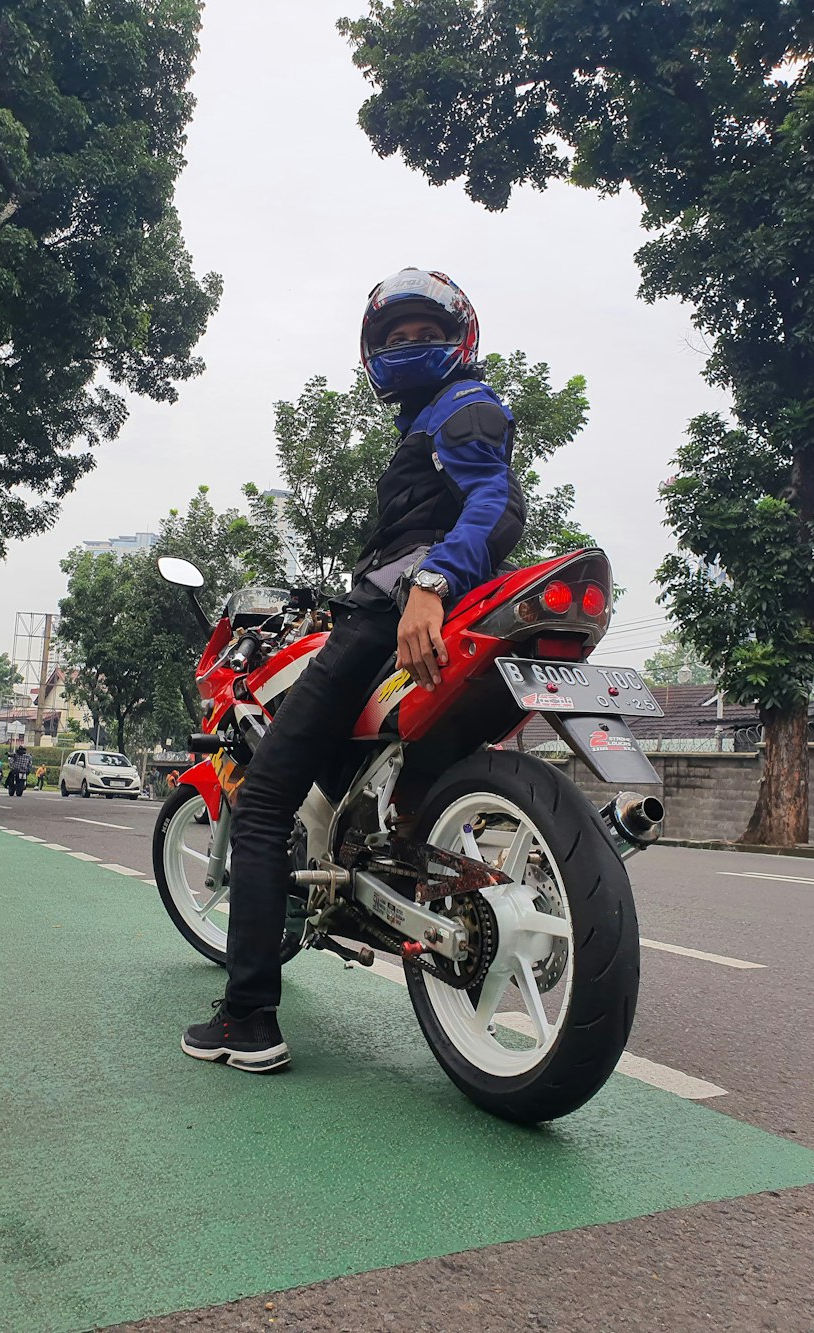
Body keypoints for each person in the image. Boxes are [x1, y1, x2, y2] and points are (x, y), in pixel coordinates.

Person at [182, 269, 526, 1073]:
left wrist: (431, 585)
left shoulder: (464, 405)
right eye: (393, 338)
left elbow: (495, 504)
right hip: (413, 613)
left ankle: (247, 1019)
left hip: (395, 615)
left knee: (264, 795)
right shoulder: (433, 419)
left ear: (459, 340)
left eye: (423, 334)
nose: (408, 348)